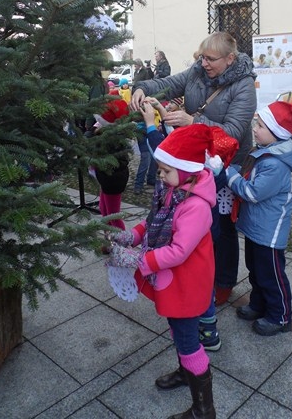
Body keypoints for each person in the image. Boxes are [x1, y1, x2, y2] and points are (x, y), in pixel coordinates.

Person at [131, 31, 257, 306]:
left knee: (221, 225)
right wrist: (142, 88)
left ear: (230, 59)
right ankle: (194, 272)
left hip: (226, 162)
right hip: (193, 160)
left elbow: (234, 132)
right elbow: (167, 83)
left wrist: (193, 122)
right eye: (202, 57)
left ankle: (223, 281)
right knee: (191, 221)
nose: (204, 63)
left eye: (210, 59)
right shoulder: (197, 72)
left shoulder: (244, 85)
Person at [106, 124, 217, 418]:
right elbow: (153, 220)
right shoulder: (174, 190)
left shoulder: (195, 206)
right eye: (159, 169)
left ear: (187, 170)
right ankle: (185, 372)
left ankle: (203, 410)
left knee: (188, 340)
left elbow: (179, 250)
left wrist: (137, 259)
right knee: (178, 330)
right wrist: (132, 236)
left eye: (166, 170)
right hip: (175, 280)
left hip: (187, 282)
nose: (160, 175)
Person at [226, 100, 292, 336]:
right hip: (256, 228)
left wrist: (229, 174)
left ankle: (280, 316)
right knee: (255, 269)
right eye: (256, 124)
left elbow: (252, 192)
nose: (254, 129)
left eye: (261, 126)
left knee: (271, 275)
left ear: (277, 133)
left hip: (269, 233)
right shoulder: (264, 153)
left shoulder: (275, 164)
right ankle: (259, 304)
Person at [85, 99, 130, 228]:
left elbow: (115, 161)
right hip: (105, 178)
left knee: (113, 216)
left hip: (112, 180)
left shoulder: (112, 139)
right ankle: (108, 235)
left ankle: (121, 238)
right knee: (103, 208)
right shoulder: (103, 132)